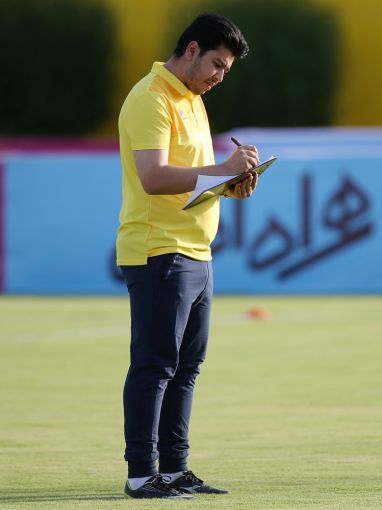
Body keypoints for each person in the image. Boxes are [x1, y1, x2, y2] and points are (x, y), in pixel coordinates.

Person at [116, 13, 259, 499]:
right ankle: (141, 474)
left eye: (226, 71)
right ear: (192, 49)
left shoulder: (192, 98)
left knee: (185, 367)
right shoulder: (151, 98)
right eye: (217, 64)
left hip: (195, 251)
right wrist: (222, 169)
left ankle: (174, 468)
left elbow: (192, 179)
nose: (219, 77)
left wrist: (229, 183)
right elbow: (154, 177)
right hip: (159, 250)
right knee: (155, 364)